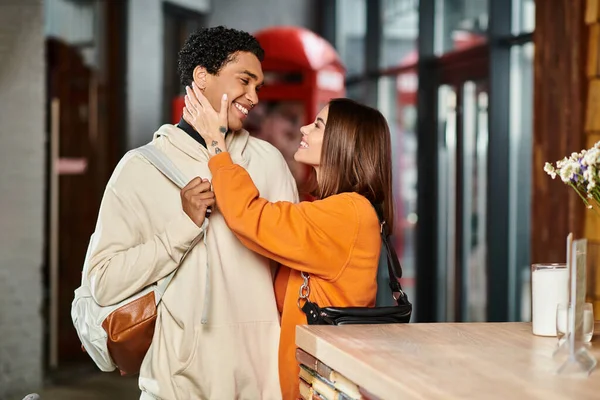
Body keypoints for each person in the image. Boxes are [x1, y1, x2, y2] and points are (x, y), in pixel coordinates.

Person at [85, 26, 298, 399]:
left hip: (263, 382)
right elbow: (103, 282)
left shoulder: (268, 163)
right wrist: (180, 229)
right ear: (202, 76)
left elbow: (292, 269)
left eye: (258, 87)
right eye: (244, 81)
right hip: (175, 383)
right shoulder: (140, 168)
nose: (254, 97)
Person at [183, 86, 394, 399]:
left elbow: (250, 217)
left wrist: (216, 144)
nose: (305, 128)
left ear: (343, 143)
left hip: (321, 387)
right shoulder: (337, 210)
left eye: (318, 125)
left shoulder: (349, 212)